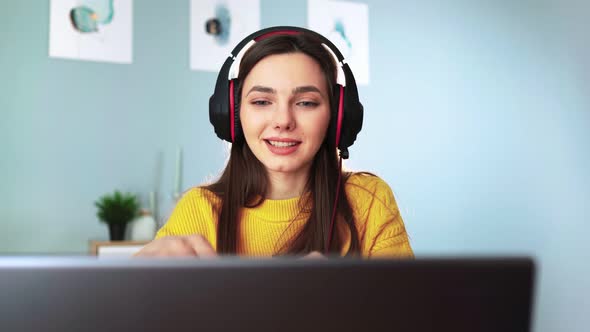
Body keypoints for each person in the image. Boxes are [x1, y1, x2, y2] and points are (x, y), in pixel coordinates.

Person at [135, 26, 413, 259]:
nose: (283, 120)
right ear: (232, 113)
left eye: (306, 102)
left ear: (338, 117)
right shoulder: (200, 209)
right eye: (261, 101)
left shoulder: (367, 200)